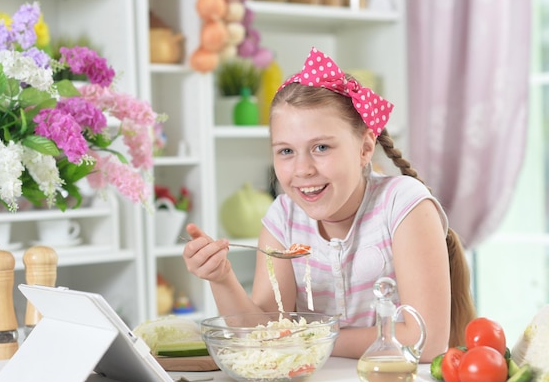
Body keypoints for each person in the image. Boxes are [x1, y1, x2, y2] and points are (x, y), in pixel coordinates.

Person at [182, 47, 476, 362]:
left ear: (365, 149)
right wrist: (221, 277)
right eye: (285, 151)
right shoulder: (283, 219)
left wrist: (305, 339)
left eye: (321, 147)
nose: (302, 169)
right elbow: (261, 333)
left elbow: (425, 341)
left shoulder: (404, 205)